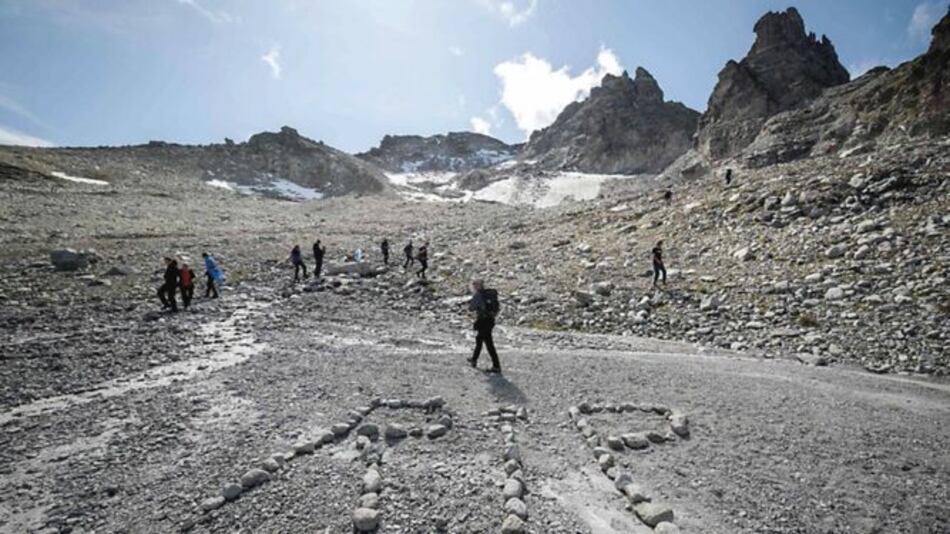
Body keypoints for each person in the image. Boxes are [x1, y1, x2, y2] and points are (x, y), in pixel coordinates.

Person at [467, 279, 501, 373]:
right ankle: (474, 359)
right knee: (481, 340)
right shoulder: (490, 294)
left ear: (477, 286)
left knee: (486, 343)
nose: (473, 287)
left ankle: (496, 366)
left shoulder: (478, 295)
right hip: (490, 320)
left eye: (474, 285)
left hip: (482, 321)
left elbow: (471, 308)